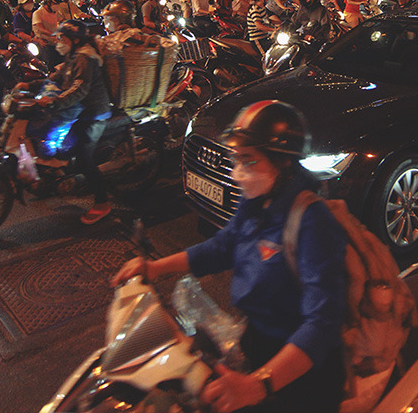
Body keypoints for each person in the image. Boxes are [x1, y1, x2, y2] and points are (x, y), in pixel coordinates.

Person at [111, 101, 347, 413]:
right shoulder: (256, 204)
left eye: (249, 161)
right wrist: (154, 267)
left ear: (283, 162)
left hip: (302, 375)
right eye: (237, 159)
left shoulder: (311, 221)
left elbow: (322, 323)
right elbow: (222, 247)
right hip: (256, 346)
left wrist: (259, 385)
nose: (237, 174)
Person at [24, 20, 115, 225]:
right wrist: (30, 86)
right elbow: (57, 78)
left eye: (62, 38)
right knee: (57, 143)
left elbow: (79, 89)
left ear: (74, 40)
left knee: (83, 157)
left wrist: (55, 101)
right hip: (77, 110)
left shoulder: (85, 58)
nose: (59, 42)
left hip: (93, 113)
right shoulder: (74, 56)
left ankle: (102, 203)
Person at [32, 0, 68, 67]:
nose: (57, 6)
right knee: (51, 64)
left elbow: (63, 20)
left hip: (55, 41)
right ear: (48, 2)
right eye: (55, 4)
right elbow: (41, 29)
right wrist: (54, 34)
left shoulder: (55, 12)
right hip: (44, 43)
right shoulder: (38, 13)